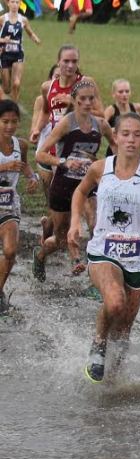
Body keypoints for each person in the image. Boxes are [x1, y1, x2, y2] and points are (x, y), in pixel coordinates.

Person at [67, 112, 140, 382]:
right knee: (114, 301)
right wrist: (75, 222)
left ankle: (113, 382)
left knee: (123, 329)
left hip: (137, 259)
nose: (131, 140)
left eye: (137, 134)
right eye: (125, 134)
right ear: (116, 137)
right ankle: (97, 345)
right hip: (103, 252)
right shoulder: (101, 168)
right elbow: (80, 192)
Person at [33, 79, 114, 282]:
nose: (88, 103)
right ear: (75, 100)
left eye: (91, 99)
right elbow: (40, 155)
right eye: (83, 99)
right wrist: (63, 162)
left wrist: (107, 163)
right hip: (62, 186)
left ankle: (92, 276)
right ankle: (40, 256)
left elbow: (117, 147)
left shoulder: (101, 125)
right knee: (60, 239)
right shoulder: (66, 124)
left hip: (87, 186)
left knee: (96, 226)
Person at [30, 45, 104, 244]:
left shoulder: (86, 84)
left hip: (81, 152)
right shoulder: (49, 86)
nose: (70, 66)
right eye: (66, 61)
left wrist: (73, 104)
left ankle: (91, 253)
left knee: (87, 205)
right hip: (55, 153)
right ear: (58, 61)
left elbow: (101, 115)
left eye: (74, 62)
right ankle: (49, 236)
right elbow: (46, 111)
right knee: (58, 209)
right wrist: (37, 129)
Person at [0, 99, 39, 313]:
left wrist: (31, 177)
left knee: (10, 251)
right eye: (5, 121)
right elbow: (11, 165)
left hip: (8, 206)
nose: (9, 126)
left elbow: (24, 166)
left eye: (14, 122)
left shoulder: (20, 145)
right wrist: (5, 166)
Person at [31, 63, 59, 244]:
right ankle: (49, 236)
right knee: (53, 202)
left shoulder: (74, 99)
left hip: (64, 156)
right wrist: (34, 131)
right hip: (45, 154)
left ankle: (49, 233)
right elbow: (36, 123)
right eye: (55, 77)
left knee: (59, 203)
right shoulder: (43, 99)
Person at [0, 0, 41, 103]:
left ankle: (14, 107)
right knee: (6, 89)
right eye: (12, 2)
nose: (15, 5)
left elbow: (30, 32)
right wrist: (3, 40)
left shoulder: (23, 20)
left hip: (18, 53)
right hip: (4, 54)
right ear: (8, 4)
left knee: (16, 83)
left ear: (20, 4)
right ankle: (6, 75)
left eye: (17, 2)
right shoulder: (2, 19)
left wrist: (36, 39)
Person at [104, 79, 140, 156]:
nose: (124, 94)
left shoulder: (137, 107)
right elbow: (102, 126)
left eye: (127, 91)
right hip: (116, 150)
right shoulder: (110, 110)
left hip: (133, 148)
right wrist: (114, 130)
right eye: (120, 92)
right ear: (113, 94)